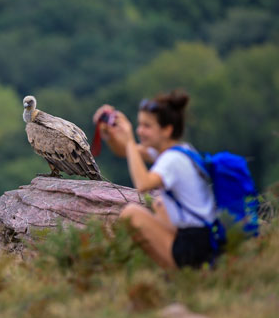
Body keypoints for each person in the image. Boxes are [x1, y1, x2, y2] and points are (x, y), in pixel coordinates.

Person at [93, 90, 223, 270]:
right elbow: (125, 152)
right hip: (205, 241)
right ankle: (179, 271)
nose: (140, 131)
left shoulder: (172, 160)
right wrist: (111, 135)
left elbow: (143, 184)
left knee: (131, 213)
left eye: (147, 126)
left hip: (194, 248)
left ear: (167, 130)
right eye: (139, 125)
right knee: (159, 204)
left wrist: (130, 140)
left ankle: (174, 275)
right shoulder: (182, 151)